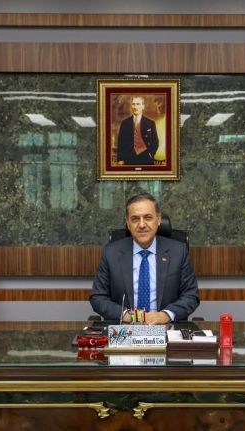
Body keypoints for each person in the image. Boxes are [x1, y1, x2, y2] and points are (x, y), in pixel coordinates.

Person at [90, 193, 199, 324]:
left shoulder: (178, 251)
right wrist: (126, 315)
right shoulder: (111, 253)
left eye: (148, 217)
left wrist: (165, 315)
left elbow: (191, 296)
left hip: (166, 327)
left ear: (158, 219)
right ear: (128, 223)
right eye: (135, 219)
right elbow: (98, 297)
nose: (142, 225)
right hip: (125, 328)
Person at [116, 96, 159, 165]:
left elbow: (155, 141)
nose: (135, 107)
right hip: (129, 159)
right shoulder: (125, 123)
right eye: (133, 104)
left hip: (146, 159)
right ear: (131, 106)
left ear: (143, 106)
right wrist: (121, 159)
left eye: (138, 104)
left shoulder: (150, 123)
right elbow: (121, 142)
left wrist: (150, 154)